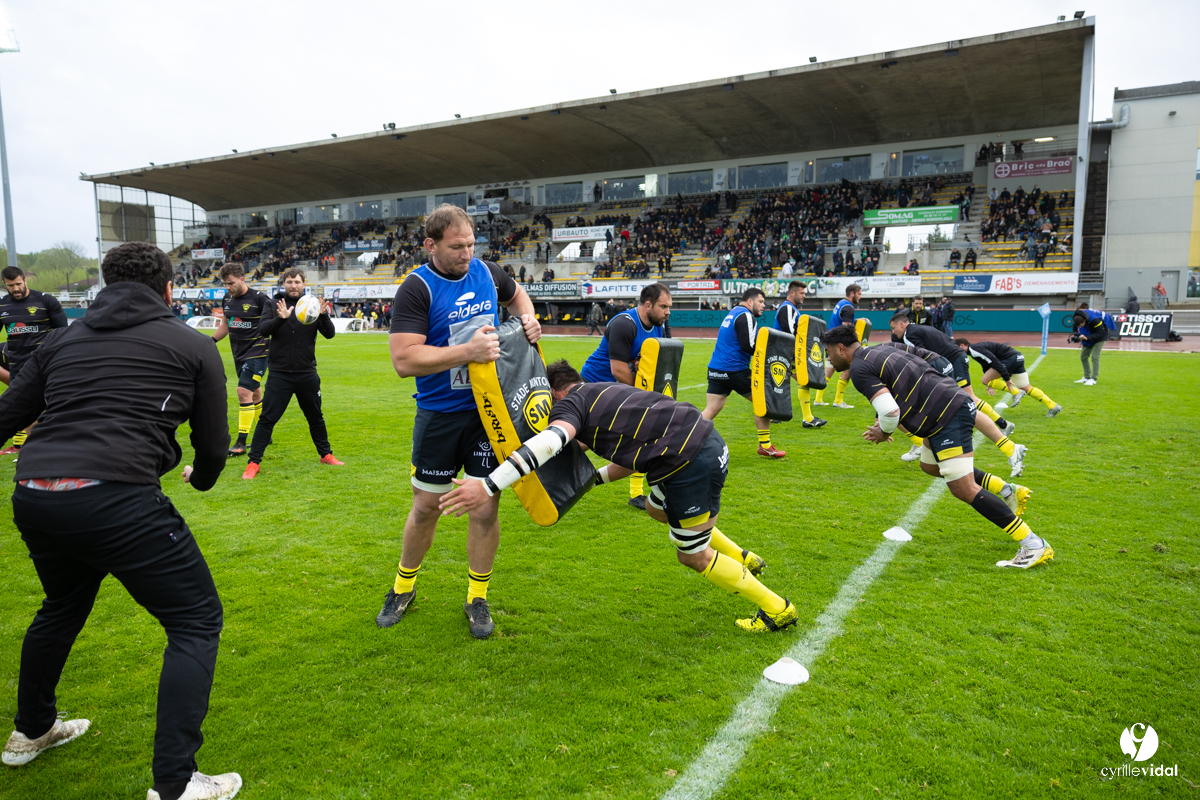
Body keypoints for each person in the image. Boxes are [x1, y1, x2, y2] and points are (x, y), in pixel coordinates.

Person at [0, 242, 240, 800]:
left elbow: (8, 415)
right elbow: (212, 447)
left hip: (36, 493)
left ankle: (30, 731)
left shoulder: (63, 337)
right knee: (195, 621)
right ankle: (176, 785)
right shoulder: (192, 344)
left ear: (106, 284)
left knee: (61, 605)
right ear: (169, 289)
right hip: (115, 496)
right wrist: (202, 481)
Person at [438, 359, 800, 632]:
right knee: (657, 510)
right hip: (695, 448)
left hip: (690, 463)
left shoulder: (571, 405)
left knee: (692, 555)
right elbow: (635, 455)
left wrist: (486, 485)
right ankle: (744, 557)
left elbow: (550, 441)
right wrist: (591, 481)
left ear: (554, 392)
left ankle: (777, 608)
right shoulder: (603, 392)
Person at [376, 204, 540, 640]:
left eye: (471, 244)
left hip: (491, 413)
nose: (467, 253)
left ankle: (477, 597)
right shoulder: (416, 288)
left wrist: (528, 316)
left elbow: (516, 292)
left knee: (485, 507)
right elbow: (404, 359)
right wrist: (466, 352)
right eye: (457, 246)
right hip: (439, 416)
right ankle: (403, 586)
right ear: (430, 245)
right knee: (426, 506)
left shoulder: (486, 271)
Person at [823, 324, 1051, 569]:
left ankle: (1034, 544)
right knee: (930, 466)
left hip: (946, 415)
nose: (829, 359)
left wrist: (884, 431)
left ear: (841, 348)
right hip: (944, 410)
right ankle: (1007, 490)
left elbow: (890, 411)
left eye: (829, 353)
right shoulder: (884, 348)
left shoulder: (859, 368)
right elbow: (929, 358)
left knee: (963, 488)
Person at [889, 314, 1024, 474]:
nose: (893, 331)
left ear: (902, 324)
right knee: (956, 403)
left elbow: (920, 357)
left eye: (893, 328)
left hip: (950, 361)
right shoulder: (917, 330)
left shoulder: (909, 334)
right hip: (949, 360)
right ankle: (1005, 435)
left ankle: (1005, 430)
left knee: (964, 402)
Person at [242, 269, 342, 479]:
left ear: (303, 284)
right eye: (289, 282)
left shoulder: (312, 305)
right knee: (267, 418)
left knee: (316, 417)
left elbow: (330, 334)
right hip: (280, 374)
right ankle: (253, 463)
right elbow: (263, 330)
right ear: (284, 284)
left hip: (307, 373)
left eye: (297, 282)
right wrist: (281, 319)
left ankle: (326, 455)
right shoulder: (273, 304)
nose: (293, 285)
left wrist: (323, 315)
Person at [580, 283, 673, 508]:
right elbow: (618, 369)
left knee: (644, 438)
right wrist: (643, 396)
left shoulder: (659, 325)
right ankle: (550, 459)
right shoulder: (624, 324)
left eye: (669, 307)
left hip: (618, 389)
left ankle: (631, 492)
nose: (668, 312)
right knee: (585, 440)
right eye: (663, 306)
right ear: (648, 304)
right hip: (596, 386)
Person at [703, 287, 785, 458]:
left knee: (711, 409)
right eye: (761, 302)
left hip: (716, 369)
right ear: (750, 301)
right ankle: (765, 445)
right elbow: (747, 345)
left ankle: (686, 440)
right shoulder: (746, 315)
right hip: (735, 371)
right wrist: (769, 354)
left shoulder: (733, 312)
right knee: (764, 402)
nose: (764, 306)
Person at [0, 266, 69, 456]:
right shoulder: (2, 306)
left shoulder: (45, 300)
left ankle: (59, 448)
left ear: (25, 280)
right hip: (19, 368)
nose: (15, 288)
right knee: (25, 411)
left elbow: (63, 333)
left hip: (48, 365)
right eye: (10, 285)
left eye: (18, 284)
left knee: (53, 407)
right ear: (4, 285)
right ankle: (34, 452)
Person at [211, 263, 275, 456]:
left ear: (242, 279)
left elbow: (275, 323)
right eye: (225, 284)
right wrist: (210, 341)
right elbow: (226, 324)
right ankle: (266, 433)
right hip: (238, 355)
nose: (227, 287)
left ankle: (241, 441)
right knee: (255, 394)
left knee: (242, 392)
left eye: (230, 283)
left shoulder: (260, 299)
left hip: (258, 354)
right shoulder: (227, 299)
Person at [955, 338, 1062, 417]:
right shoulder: (974, 351)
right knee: (1025, 387)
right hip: (1018, 357)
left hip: (1010, 359)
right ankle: (1053, 406)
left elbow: (993, 360)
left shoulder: (974, 349)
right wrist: (990, 383)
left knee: (984, 380)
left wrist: (1006, 378)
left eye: (957, 348)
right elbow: (986, 365)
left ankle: (1016, 392)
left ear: (962, 345)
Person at [773, 280, 825, 428]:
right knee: (803, 380)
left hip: (784, 352)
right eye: (801, 293)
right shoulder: (788, 309)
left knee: (782, 382)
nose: (804, 296)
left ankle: (773, 415)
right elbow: (790, 333)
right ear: (792, 293)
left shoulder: (791, 309)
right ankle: (807, 419)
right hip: (785, 352)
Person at [814, 283, 862, 410]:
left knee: (828, 372)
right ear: (852, 293)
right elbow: (845, 329)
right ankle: (838, 401)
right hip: (839, 345)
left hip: (831, 343)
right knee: (848, 371)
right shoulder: (849, 308)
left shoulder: (841, 303)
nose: (860, 297)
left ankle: (818, 400)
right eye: (859, 294)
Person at [1070, 308, 1109, 385]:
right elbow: (1075, 328)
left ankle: (1093, 379)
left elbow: (1101, 332)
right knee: (1083, 356)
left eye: (1081, 326)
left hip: (1100, 337)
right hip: (1088, 334)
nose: (1080, 328)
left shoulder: (1095, 320)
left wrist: (1087, 337)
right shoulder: (1077, 319)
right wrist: (1077, 335)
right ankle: (1086, 377)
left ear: (1084, 321)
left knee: (1095, 357)